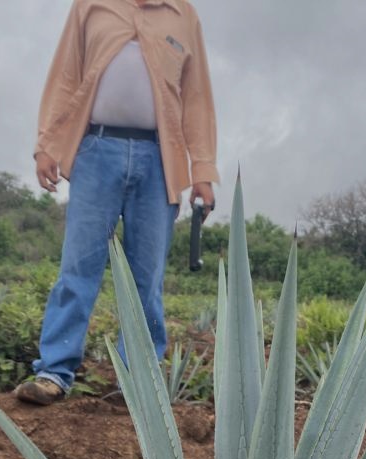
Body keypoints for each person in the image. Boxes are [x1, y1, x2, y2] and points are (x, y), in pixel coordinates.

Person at [15, 0, 218, 405]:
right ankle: (54, 372)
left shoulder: (183, 14)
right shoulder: (91, 5)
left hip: (160, 159)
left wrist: (203, 170)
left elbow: (196, 98)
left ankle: (138, 382)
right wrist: (47, 145)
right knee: (78, 268)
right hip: (96, 150)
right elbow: (66, 76)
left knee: (147, 277)